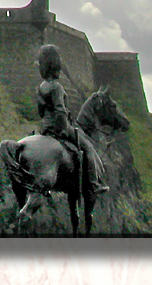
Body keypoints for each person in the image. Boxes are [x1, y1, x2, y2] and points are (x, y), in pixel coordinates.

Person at [36, 44, 109, 194]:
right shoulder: (56, 87)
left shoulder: (41, 87)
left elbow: (41, 111)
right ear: (56, 64)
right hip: (59, 127)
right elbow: (60, 111)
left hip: (44, 128)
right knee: (88, 147)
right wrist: (63, 129)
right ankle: (95, 183)